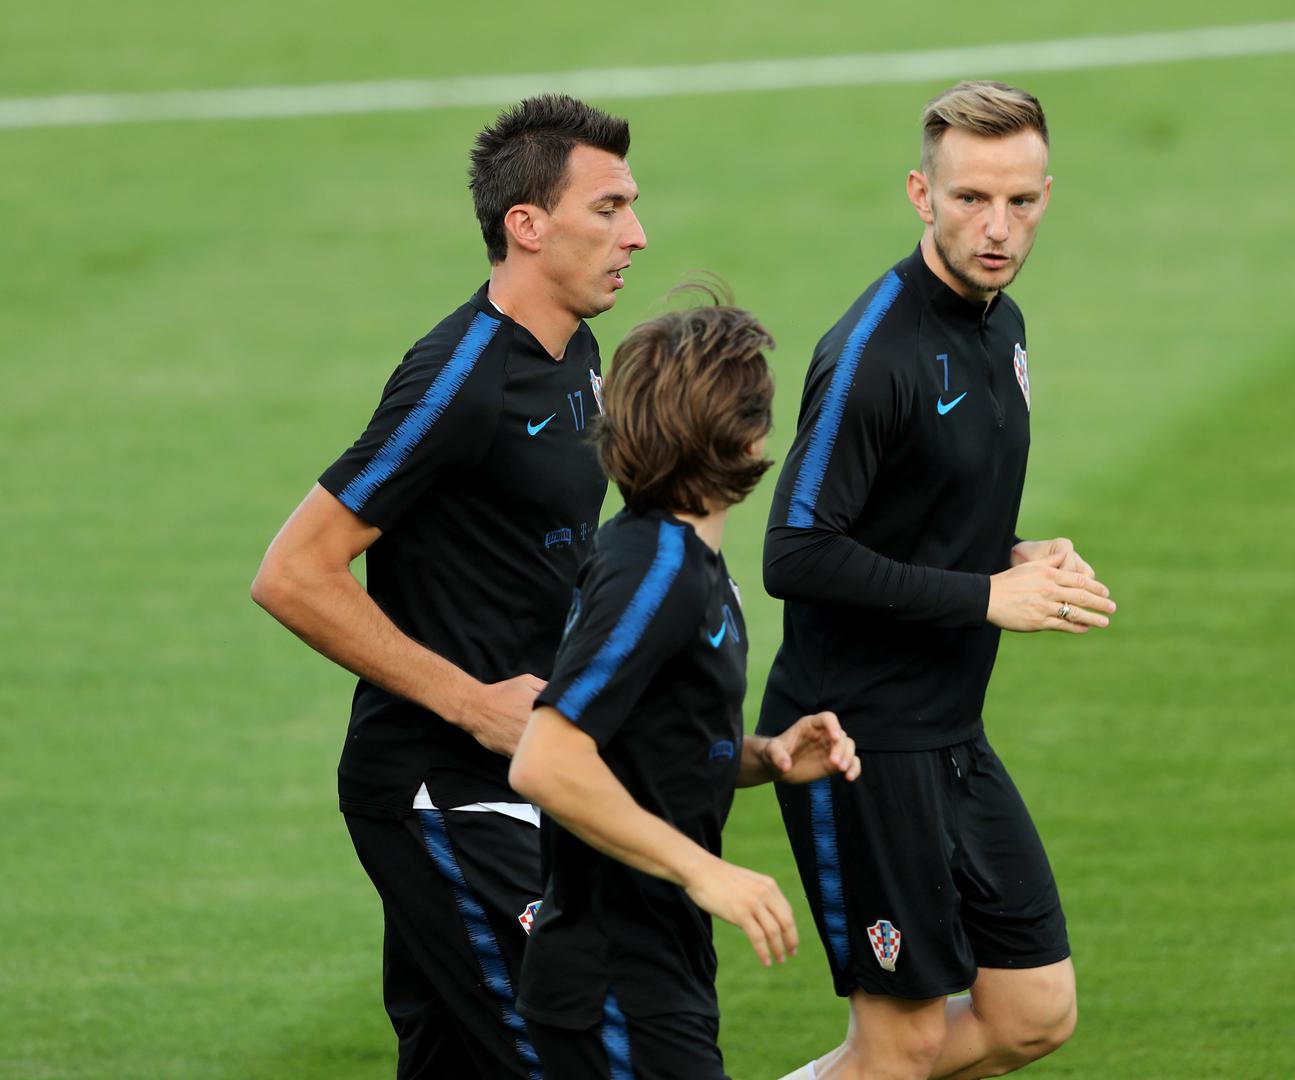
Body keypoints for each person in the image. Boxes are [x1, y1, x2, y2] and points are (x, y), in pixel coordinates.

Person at [249, 94, 645, 1079]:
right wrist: (473, 705)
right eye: (608, 209)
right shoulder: (458, 379)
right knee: (588, 1057)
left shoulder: (577, 353)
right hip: (440, 790)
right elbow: (293, 573)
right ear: (527, 225)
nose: (635, 234)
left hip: (524, 775)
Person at [760, 81, 1117, 1080]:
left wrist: (1015, 554)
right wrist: (986, 598)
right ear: (922, 194)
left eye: (1020, 200)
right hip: (855, 742)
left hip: (951, 732)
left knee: (1033, 1011)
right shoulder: (873, 355)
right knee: (902, 1045)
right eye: (970, 199)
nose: (997, 227)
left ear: (1046, 196)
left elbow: (919, 514)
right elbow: (794, 551)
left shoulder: (1002, 326)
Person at [508, 300, 863, 1079]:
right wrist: (706, 871)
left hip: (657, 968)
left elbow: (646, 740)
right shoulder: (656, 570)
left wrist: (764, 756)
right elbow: (545, 760)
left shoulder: (679, 561)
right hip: (613, 981)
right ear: (743, 436)